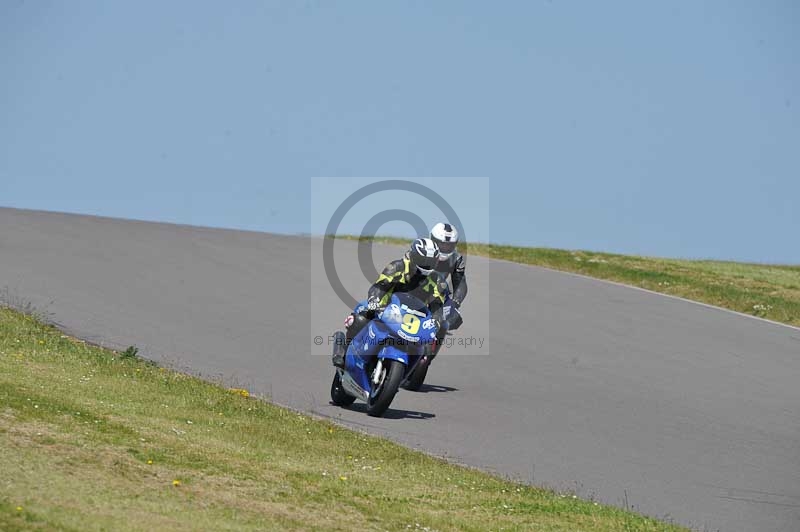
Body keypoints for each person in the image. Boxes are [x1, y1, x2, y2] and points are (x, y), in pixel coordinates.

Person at [334, 238, 449, 367]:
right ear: (413, 256)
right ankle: (343, 352)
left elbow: (437, 305)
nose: (426, 265)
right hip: (385, 308)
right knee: (359, 317)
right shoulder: (396, 267)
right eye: (423, 261)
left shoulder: (438, 281)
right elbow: (379, 287)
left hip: (414, 319)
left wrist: (436, 321)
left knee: (432, 339)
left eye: (430, 262)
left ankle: (415, 371)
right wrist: (374, 301)